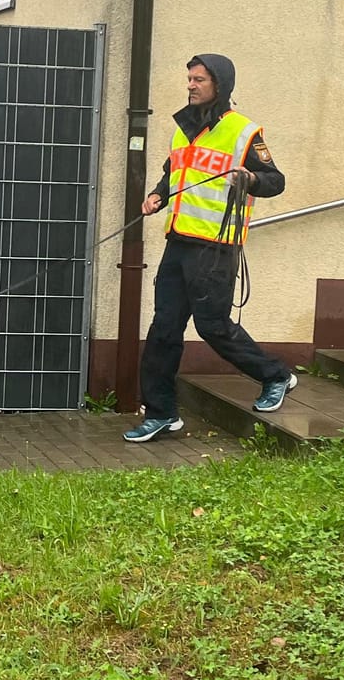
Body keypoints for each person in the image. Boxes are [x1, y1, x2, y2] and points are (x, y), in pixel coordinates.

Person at [125, 54, 295, 443]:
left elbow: (276, 181)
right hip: (179, 243)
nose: (191, 84)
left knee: (213, 327)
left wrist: (249, 177)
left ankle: (276, 375)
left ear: (219, 84)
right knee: (163, 330)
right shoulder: (183, 128)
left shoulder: (243, 132)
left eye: (199, 79)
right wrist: (156, 195)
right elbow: (174, 173)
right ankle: (162, 413)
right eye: (189, 78)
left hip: (216, 248)